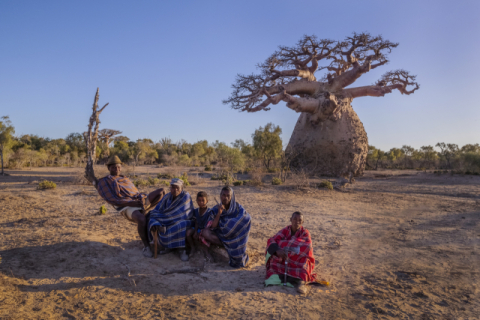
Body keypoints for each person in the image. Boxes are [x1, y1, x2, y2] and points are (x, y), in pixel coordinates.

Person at [96, 155, 166, 258]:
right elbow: (112, 199)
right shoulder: (105, 181)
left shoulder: (124, 178)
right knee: (142, 219)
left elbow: (135, 192)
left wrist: (139, 200)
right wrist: (130, 203)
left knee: (162, 192)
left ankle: (144, 209)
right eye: (114, 167)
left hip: (137, 200)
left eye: (119, 167)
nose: (117, 169)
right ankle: (146, 247)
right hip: (125, 205)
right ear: (109, 168)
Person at [265, 211, 316, 294]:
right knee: (273, 259)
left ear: (302, 222)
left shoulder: (305, 233)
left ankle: (302, 283)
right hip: (283, 258)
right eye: (295, 219)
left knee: (305, 263)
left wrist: (284, 246)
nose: (297, 222)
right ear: (291, 220)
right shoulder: (285, 231)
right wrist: (277, 250)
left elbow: (307, 246)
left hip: (298, 259)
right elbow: (272, 240)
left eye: (300, 220)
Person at [202, 187, 251, 268]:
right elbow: (213, 226)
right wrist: (219, 213)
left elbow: (246, 218)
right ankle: (226, 245)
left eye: (228, 195)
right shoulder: (215, 209)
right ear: (220, 196)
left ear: (232, 197)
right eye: (223, 195)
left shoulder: (238, 208)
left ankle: (230, 245)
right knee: (205, 232)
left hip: (234, 237)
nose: (225, 198)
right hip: (221, 237)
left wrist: (228, 225)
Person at [148, 178, 194, 261]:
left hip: (183, 221)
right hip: (166, 220)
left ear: (181, 188)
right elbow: (157, 210)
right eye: (173, 187)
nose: (175, 190)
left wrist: (166, 218)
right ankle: (169, 247)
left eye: (177, 188)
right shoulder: (167, 196)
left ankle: (181, 250)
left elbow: (184, 214)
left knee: (180, 225)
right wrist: (162, 218)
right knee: (151, 217)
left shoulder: (186, 196)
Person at [192, 191, 214, 260]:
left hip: (206, 229)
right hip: (198, 228)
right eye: (199, 200)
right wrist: (196, 231)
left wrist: (200, 232)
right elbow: (196, 222)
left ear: (206, 201)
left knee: (204, 235)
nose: (201, 202)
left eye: (203, 200)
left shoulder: (209, 211)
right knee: (188, 232)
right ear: (196, 201)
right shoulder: (195, 211)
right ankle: (192, 249)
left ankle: (206, 252)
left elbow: (208, 224)